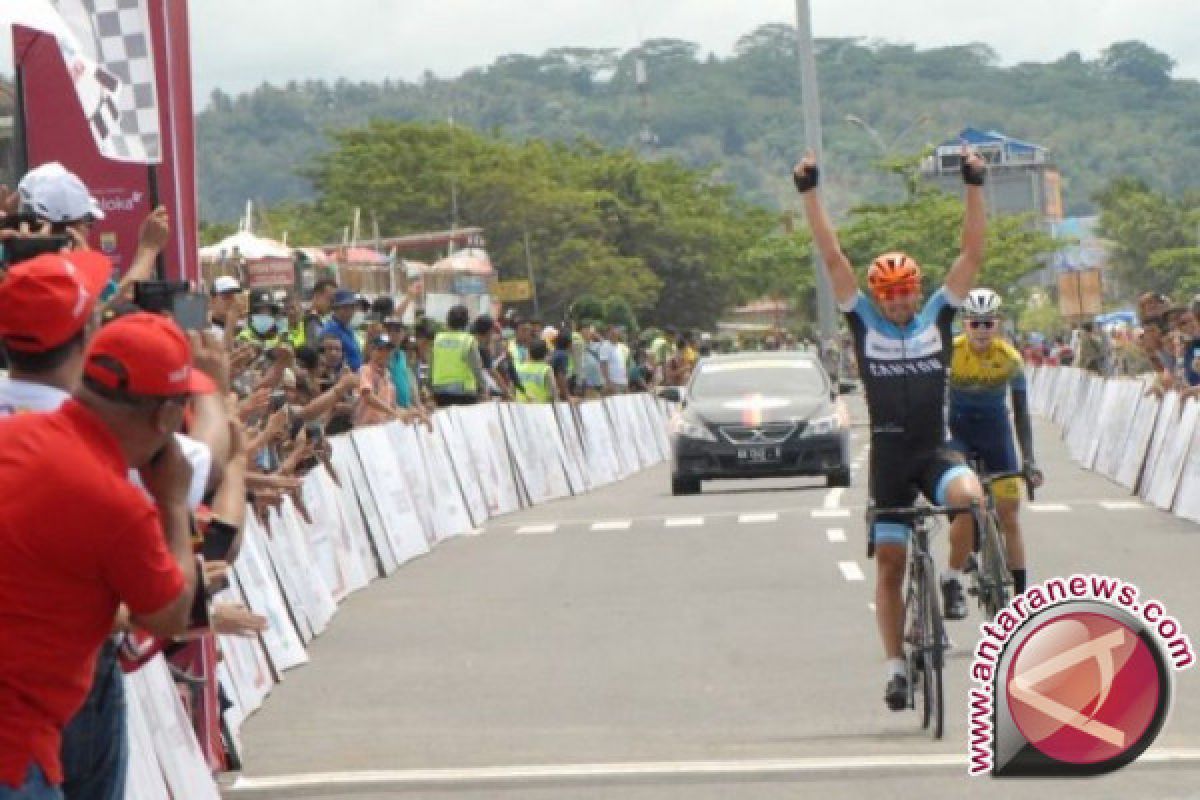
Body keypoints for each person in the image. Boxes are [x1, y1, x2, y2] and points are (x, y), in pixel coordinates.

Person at [794, 143, 989, 712]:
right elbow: (833, 259)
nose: (902, 302)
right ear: (878, 296)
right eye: (891, 294)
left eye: (907, 291)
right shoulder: (864, 323)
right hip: (889, 461)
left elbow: (972, 253)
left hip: (934, 452)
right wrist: (809, 192)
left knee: (969, 498)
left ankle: (954, 579)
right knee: (889, 564)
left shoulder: (937, 316)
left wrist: (972, 184)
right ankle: (896, 667)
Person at [0, 313, 208, 798]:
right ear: (166, 417)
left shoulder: (13, 436)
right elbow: (168, 615)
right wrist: (174, 506)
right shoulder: (119, 505)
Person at [947, 288, 1044, 598]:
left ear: (999, 324)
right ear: (965, 324)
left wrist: (1028, 459)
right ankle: (968, 547)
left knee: (1009, 514)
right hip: (959, 432)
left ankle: (1019, 596)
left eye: (988, 323)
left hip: (995, 433)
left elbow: (1021, 413)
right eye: (975, 323)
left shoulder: (1010, 359)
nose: (982, 330)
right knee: (958, 499)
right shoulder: (950, 353)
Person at [430, 304, 485, 407]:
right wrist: (484, 388)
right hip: (464, 393)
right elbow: (476, 368)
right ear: (466, 322)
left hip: (440, 392)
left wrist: (429, 387)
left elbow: (432, 365)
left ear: (448, 321)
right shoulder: (468, 340)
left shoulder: (438, 339)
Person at [320, 289, 365, 372]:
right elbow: (329, 361)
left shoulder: (349, 329)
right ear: (335, 309)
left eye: (352, 307)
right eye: (345, 308)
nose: (349, 312)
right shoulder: (330, 330)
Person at [304, 279, 338, 347]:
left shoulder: (325, 320)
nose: (332, 304)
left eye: (334, 301)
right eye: (330, 299)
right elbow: (314, 348)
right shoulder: (311, 320)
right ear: (317, 296)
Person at [208, 276, 242, 341]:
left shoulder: (241, 326)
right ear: (213, 300)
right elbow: (224, 350)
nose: (232, 301)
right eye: (227, 296)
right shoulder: (205, 329)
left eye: (234, 297)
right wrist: (230, 325)